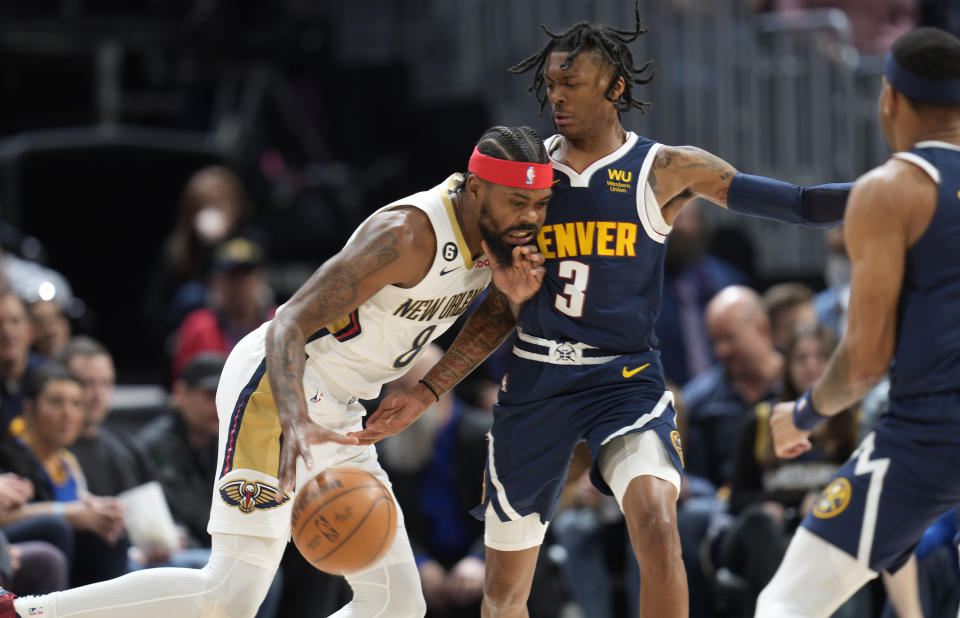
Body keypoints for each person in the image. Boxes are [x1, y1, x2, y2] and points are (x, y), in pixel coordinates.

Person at [353, 4, 851, 617]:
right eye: (552, 86)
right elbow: (499, 311)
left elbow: (800, 204)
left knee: (656, 523)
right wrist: (429, 391)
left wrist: (894, 192)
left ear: (614, 87)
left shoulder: (665, 170)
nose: (557, 97)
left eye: (573, 85)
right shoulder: (528, 176)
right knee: (506, 590)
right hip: (536, 379)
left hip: (624, 380)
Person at [0, 124, 552, 618]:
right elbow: (288, 323)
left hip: (343, 406)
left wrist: (430, 389)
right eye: (519, 202)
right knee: (232, 593)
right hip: (276, 385)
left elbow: (498, 309)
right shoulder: (407, 234)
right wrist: (294, 419)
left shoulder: (504, 237)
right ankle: (26, 613)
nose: (530, 217)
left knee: (398, 605)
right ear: (476, 188)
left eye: (541, 204)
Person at [758, 27, 960, 617]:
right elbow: (805, 201)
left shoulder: (890, 189)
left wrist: (803, 414)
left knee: (787, 606)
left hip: (931, 438)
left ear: (889, 99)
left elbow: (865, 363)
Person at [684, 285, 784, 489]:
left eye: (729, 338)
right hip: (723, 512)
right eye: (715, 341)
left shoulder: (799, 387)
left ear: (762, 329)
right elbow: (696, 478)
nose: (720, 351)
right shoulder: (699, 401)